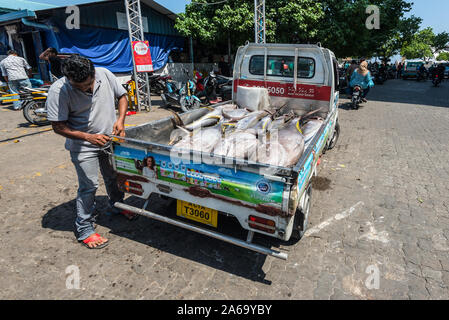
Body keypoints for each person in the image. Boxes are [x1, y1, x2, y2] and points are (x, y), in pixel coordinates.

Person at [46, 55, 133, 249]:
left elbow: (122, 96)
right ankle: (84, 227)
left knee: (113, 177)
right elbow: (58, 127)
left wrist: (120, 121)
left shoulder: (105, 74)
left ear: (93, 73)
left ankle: (117, 206)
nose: (86, 89)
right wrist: (88, 137)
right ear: (69, 79)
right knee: (89, 186)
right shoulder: (58, 90)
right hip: (83, 146)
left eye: (88, 84)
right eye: (80, 87)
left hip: (109, 141)